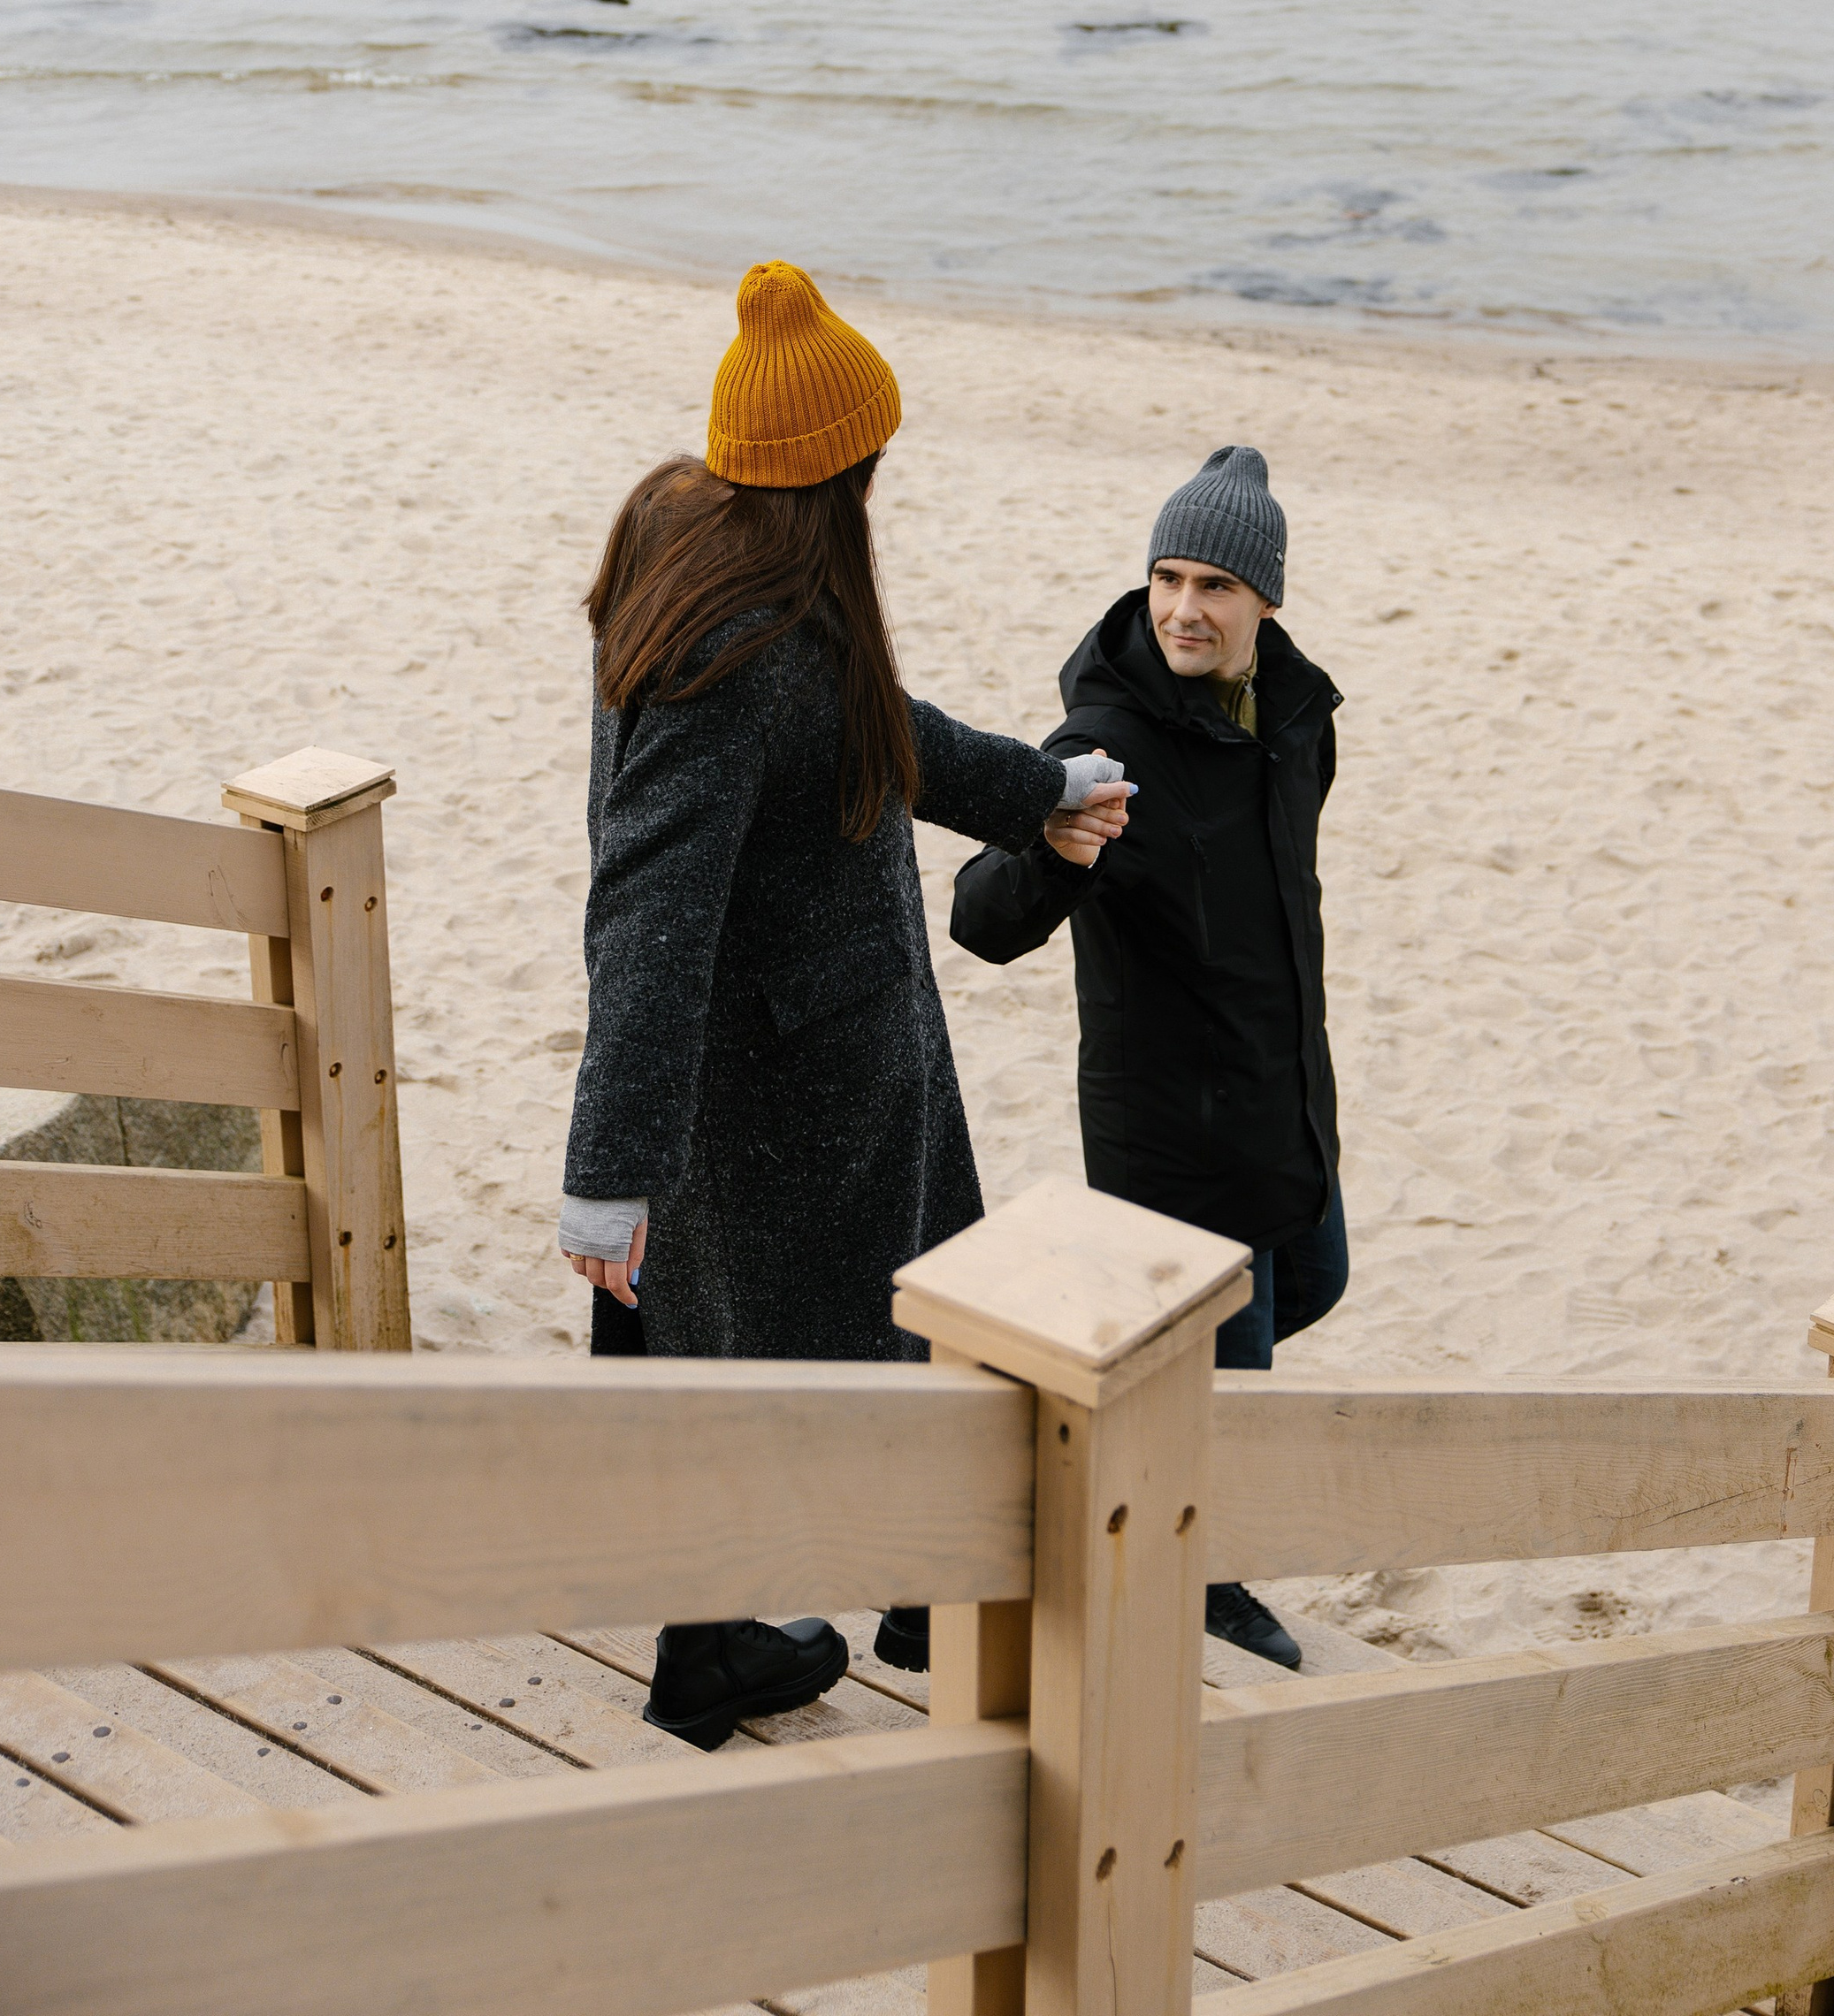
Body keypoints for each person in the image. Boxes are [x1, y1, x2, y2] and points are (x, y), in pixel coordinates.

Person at [557, 261, 1130, 1747]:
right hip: (788, 1088)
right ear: (836, 469)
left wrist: (1038, 789)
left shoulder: (703, 546)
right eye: (874, 457)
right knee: (873, 1343)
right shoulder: (731, 645)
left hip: (817, 1048)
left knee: (775, 1349)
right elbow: (648, 913)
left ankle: (765, 1636)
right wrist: (608, 1171)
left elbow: (871, 729)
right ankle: (862, 1615)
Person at [948, 444, 1343, 1670]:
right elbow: (980, 916)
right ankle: (1201, 1586)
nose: (1184, 608)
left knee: (1315, 1283)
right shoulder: (1106, 737)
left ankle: (1131, 1470)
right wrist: (1056, 851)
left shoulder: (1296, 716)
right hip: (1173, 1123)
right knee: (1223, 1379)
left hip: (1284, 1090)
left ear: (1265, 600)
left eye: (1215, 585)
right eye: (1168, 578)